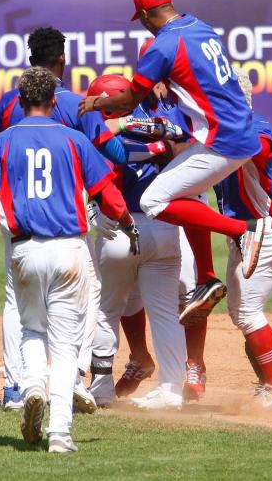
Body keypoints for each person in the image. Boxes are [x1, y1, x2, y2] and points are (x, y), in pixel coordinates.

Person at [0, 66, 136, 452]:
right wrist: (124, 220)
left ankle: (32, 386)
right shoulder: (73, 139)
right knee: (67, 342)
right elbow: (110, 197)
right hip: (69, 249)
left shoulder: (2, 141)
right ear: (54, 101)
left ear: (20, 102)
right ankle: (59, 433)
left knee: (32, 330)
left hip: (24, 251)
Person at [79, 0, 265, 326]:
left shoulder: (163, 44)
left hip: (220, 138)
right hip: (239, 130)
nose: (144, 24)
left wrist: (97, 103)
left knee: (154, 201)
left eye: (142, 19)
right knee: (187, 193)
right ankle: (207, 276)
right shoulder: (200, 26)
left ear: (147, 15)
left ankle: (242, 230)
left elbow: (128, 99)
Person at [0, 27, 119, 413]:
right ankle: (73, 377)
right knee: (86, 291)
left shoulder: (8, 103)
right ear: (61, 59)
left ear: (30, 60)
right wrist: (126, 125)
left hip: (14, 207)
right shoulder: (77, 104)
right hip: (66, 209)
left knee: (16, 299)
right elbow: (112, 152)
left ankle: (16, 387)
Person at [185, 68, 272, 407]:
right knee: (241, 312)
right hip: (243, 233)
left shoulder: (255, 125)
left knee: (247, 313)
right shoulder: (216, 133)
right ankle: (269, 384)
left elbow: (260, 148)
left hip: (263, 229)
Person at [85, 74, 187, 409]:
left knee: (107, 312)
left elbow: (113, 155)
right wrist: (156, 144)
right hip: (164, 227)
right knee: (165, 314)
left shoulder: (95, 136)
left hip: (120, 229)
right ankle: (172, 390)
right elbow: (176, 139)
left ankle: (100, 388)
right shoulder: (159, 125)